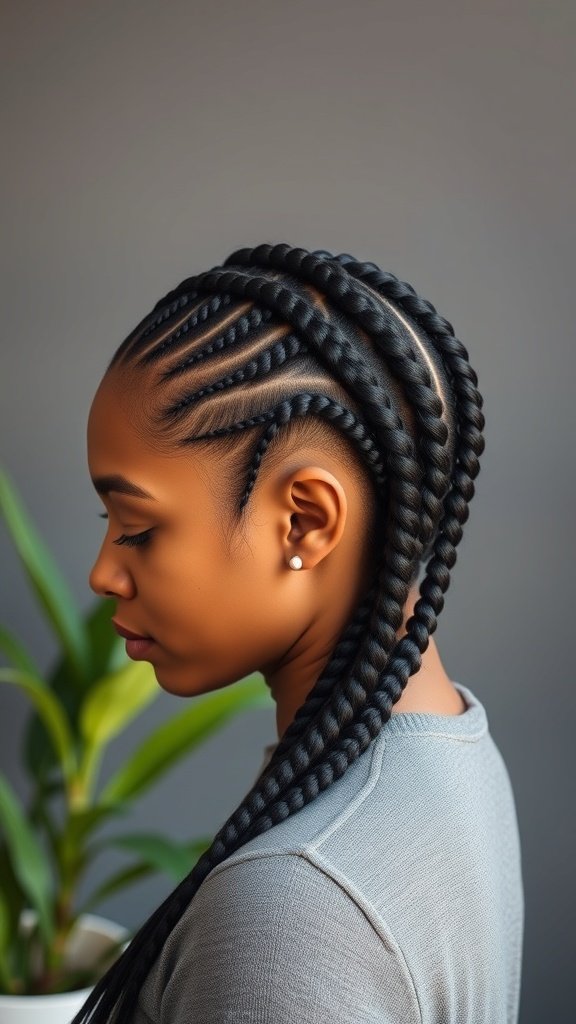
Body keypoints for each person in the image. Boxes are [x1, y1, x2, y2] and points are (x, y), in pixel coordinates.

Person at [74, 243, 524, 1023]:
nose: (102, 573)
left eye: (138, 528)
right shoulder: (450, 746)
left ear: (306, 522)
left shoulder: (293, 919)